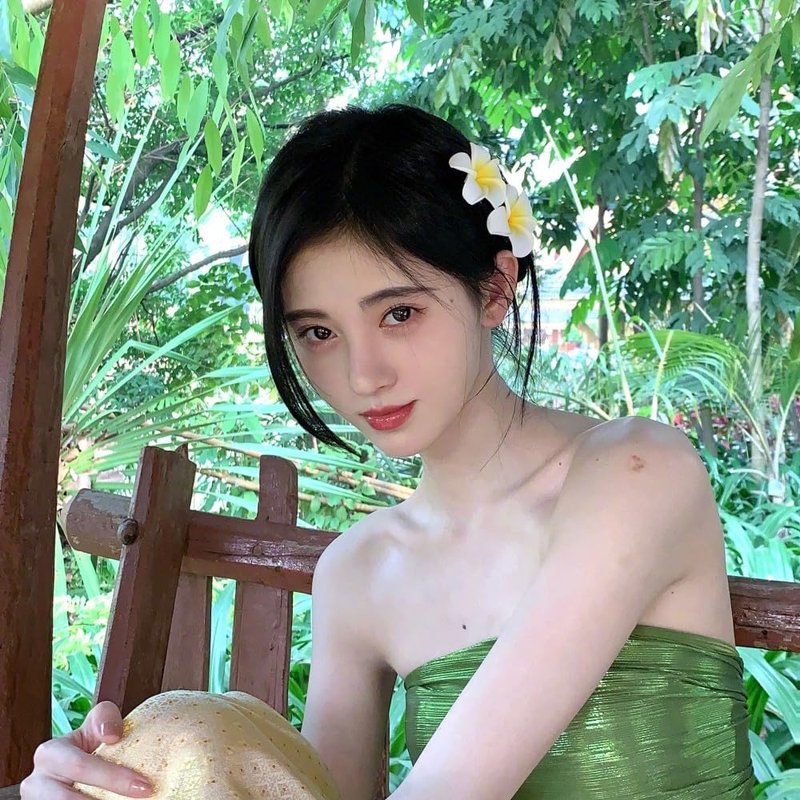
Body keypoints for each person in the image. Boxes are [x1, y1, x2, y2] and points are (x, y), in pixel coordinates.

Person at [22, 103, 754, 799]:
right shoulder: (359, 573)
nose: (362, 375)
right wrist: (137, 769)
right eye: (318, 333)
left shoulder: (636, 471)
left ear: (495, 289)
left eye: (399, 313)